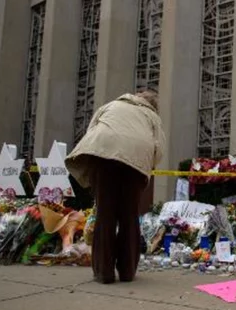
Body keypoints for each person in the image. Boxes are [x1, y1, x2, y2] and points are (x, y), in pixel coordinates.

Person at [66, 91, 165, 284]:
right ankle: (127, 271)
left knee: (105, 214)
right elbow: (159, 148)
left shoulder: (111, 105)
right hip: (134, 164)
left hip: (103, 158)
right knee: (129, 216)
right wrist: (148, 167)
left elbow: (92, 129)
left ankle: (104, 272)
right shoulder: (152, 116)